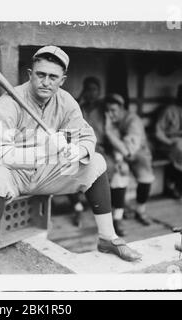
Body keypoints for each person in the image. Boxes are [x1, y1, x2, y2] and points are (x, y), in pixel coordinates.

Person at [0, 46, 142, 274]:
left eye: (53, 77)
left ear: (62, 80)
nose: (46, 82)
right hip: (13, 173)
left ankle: (107, 238)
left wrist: (78, 151)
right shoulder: (9, 101)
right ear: (29, 74)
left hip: (47, 173)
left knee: (96, 162)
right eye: (41, 75)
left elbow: (87, 136)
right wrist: (44, 151)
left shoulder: (67, 102)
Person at [103, 94, 155, 236]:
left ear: (122, 109)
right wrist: (119, 160)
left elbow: (130, 151)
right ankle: (117, 217)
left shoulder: (133, 120)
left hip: (139, 154)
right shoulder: (111, 120)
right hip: (121, 155)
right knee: (119, 173)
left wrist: (108, 132)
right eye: (107, 110)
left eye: (113, 110)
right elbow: (119, 151)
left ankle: (140, 210)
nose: (110, 114)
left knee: (146, 178)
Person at [69, 77, 105, 227]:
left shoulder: (104, 108)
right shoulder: (79, 107)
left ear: (99, 92)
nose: (91, 93)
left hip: (101, 148)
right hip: (81, 147)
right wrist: (81, 96)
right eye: (88, 89)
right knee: (68, 168)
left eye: (94, 90)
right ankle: (77, 207)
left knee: (108, 168)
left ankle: (112, 213)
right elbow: (70, 111)